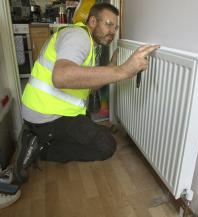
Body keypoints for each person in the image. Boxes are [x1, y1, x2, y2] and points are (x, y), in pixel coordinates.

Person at [13, 2, 160, 184]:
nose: (112, 31)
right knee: (106, 145)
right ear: (92, 21)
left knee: (93, 127)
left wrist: (110, 69)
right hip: (47, 115)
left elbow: (87, 88)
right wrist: (122, 71)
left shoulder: (87, 42)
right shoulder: (77, 36)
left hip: (44, 109)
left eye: (115, 27)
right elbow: (61, 76)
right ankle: (40, 146)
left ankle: (39, 135)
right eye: (108, 24)